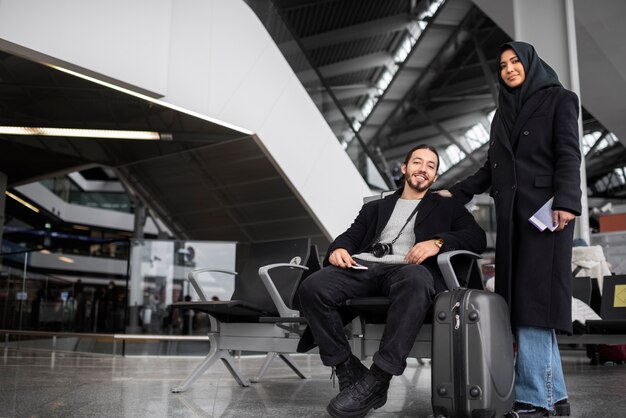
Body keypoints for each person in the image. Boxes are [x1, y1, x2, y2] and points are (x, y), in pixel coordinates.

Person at [439, 41, 581, 417]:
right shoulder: (501, 114)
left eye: (515, 61)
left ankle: (535, 399)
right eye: (502, 65)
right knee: (519, 305)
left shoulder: (560, 99)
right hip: (511, 218)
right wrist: (458, 190)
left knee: (536, 304)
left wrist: (568, 200)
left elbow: (569, 152)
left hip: (548, 217)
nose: (509, 69)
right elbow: (491, 168)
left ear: (531, 63)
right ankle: (556, 398)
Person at [297, 144, 487, 418]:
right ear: (405, 168)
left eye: (430, 166)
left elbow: (476, 237)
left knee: (417, 280)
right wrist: (338, 248)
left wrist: (438, 242)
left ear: (434, 177)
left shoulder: (448, 206)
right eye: (418, 162)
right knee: (313, 286)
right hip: (364, 267)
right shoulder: (376, 207)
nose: (423, 169)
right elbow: (350, 236)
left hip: (409, 270)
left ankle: (378, 378)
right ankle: (346, 368)